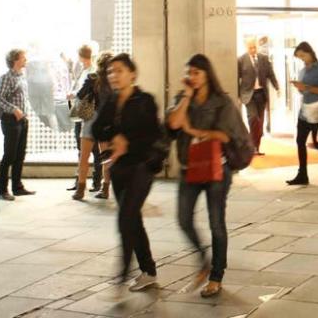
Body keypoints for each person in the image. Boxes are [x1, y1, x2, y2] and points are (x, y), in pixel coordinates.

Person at [167, 54, 250, 299]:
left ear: (206, 75)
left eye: (197, 73)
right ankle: (203, 259)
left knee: (216, 222)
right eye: (189, 72)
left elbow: (227, 137)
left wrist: (195, 131)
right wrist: (187, 97)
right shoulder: (183, 99)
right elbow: (173, 124)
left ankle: (216, 275)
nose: (192, 77)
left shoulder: (222, 102)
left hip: (216, 170)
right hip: (189, 168)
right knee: (183, 219)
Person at [92, 53, 163, 292]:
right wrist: (114, 137)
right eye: (110, 71)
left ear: (132, 73)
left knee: (126, 218)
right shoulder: (111, 101)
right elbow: (97, 129)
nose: (113, 75)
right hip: (120, 168)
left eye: (119, 70)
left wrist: (127, 143)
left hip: (141, 167)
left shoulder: (145, 101)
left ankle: (122, 273)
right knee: (133, 219)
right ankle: (148, 270)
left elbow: (153, 136)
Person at [72, 51, 114, 201]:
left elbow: (80, 95)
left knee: (84, 157)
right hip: (107, 122)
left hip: (91, 120)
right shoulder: (114, 81)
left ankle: (80, 190)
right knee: (106, 157)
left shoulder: (92, 78)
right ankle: (105, 189)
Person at [0, 49, 35, 201]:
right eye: (23, 57)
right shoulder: (6, 78)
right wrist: (14, 110)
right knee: (9, 155)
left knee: (20, 155)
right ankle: (2, 190)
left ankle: (17, 187)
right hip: (10, 121)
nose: (26, 59)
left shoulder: (22, 77)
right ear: (15, 60)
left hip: (22, 120)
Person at [286, 42, 318, 185]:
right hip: (304, 111)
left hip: (316, 111)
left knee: (317, 142)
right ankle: (302, 174)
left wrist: (306, 87)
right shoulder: (303, 70)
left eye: (303, 56)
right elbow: (304, 90)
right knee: (300, 141)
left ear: (309, 52)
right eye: (299, 57)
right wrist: (299, 87)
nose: (302, 59)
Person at [237, 38, 279, 155]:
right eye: (250, 48)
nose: (253, 50)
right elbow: (237, 78)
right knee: (253, 118)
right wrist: (237, 95)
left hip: (261, 94)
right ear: (246, 47)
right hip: (248, 95)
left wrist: (277, 87)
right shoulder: (241, 60)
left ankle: (256, 148)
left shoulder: (263, 59)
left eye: (254, 47)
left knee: (260, 122)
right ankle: (250, 146)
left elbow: (270, 74)